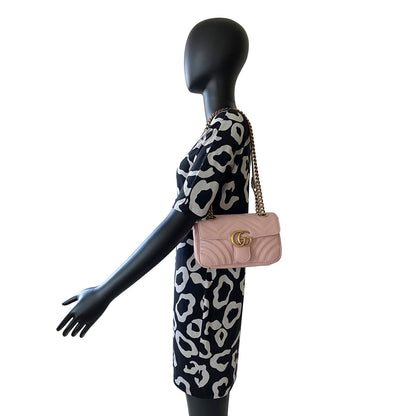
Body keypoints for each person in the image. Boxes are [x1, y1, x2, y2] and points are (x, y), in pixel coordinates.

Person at [57, 17, 250, 416]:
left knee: (205, 391)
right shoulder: (221, 125)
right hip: (204, 287)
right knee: (203, 394)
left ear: (220, 57)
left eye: (195, 47)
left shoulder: (228, 126)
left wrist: (105, 292)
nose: (187, 58)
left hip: (209, 298)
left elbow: (182, 217)